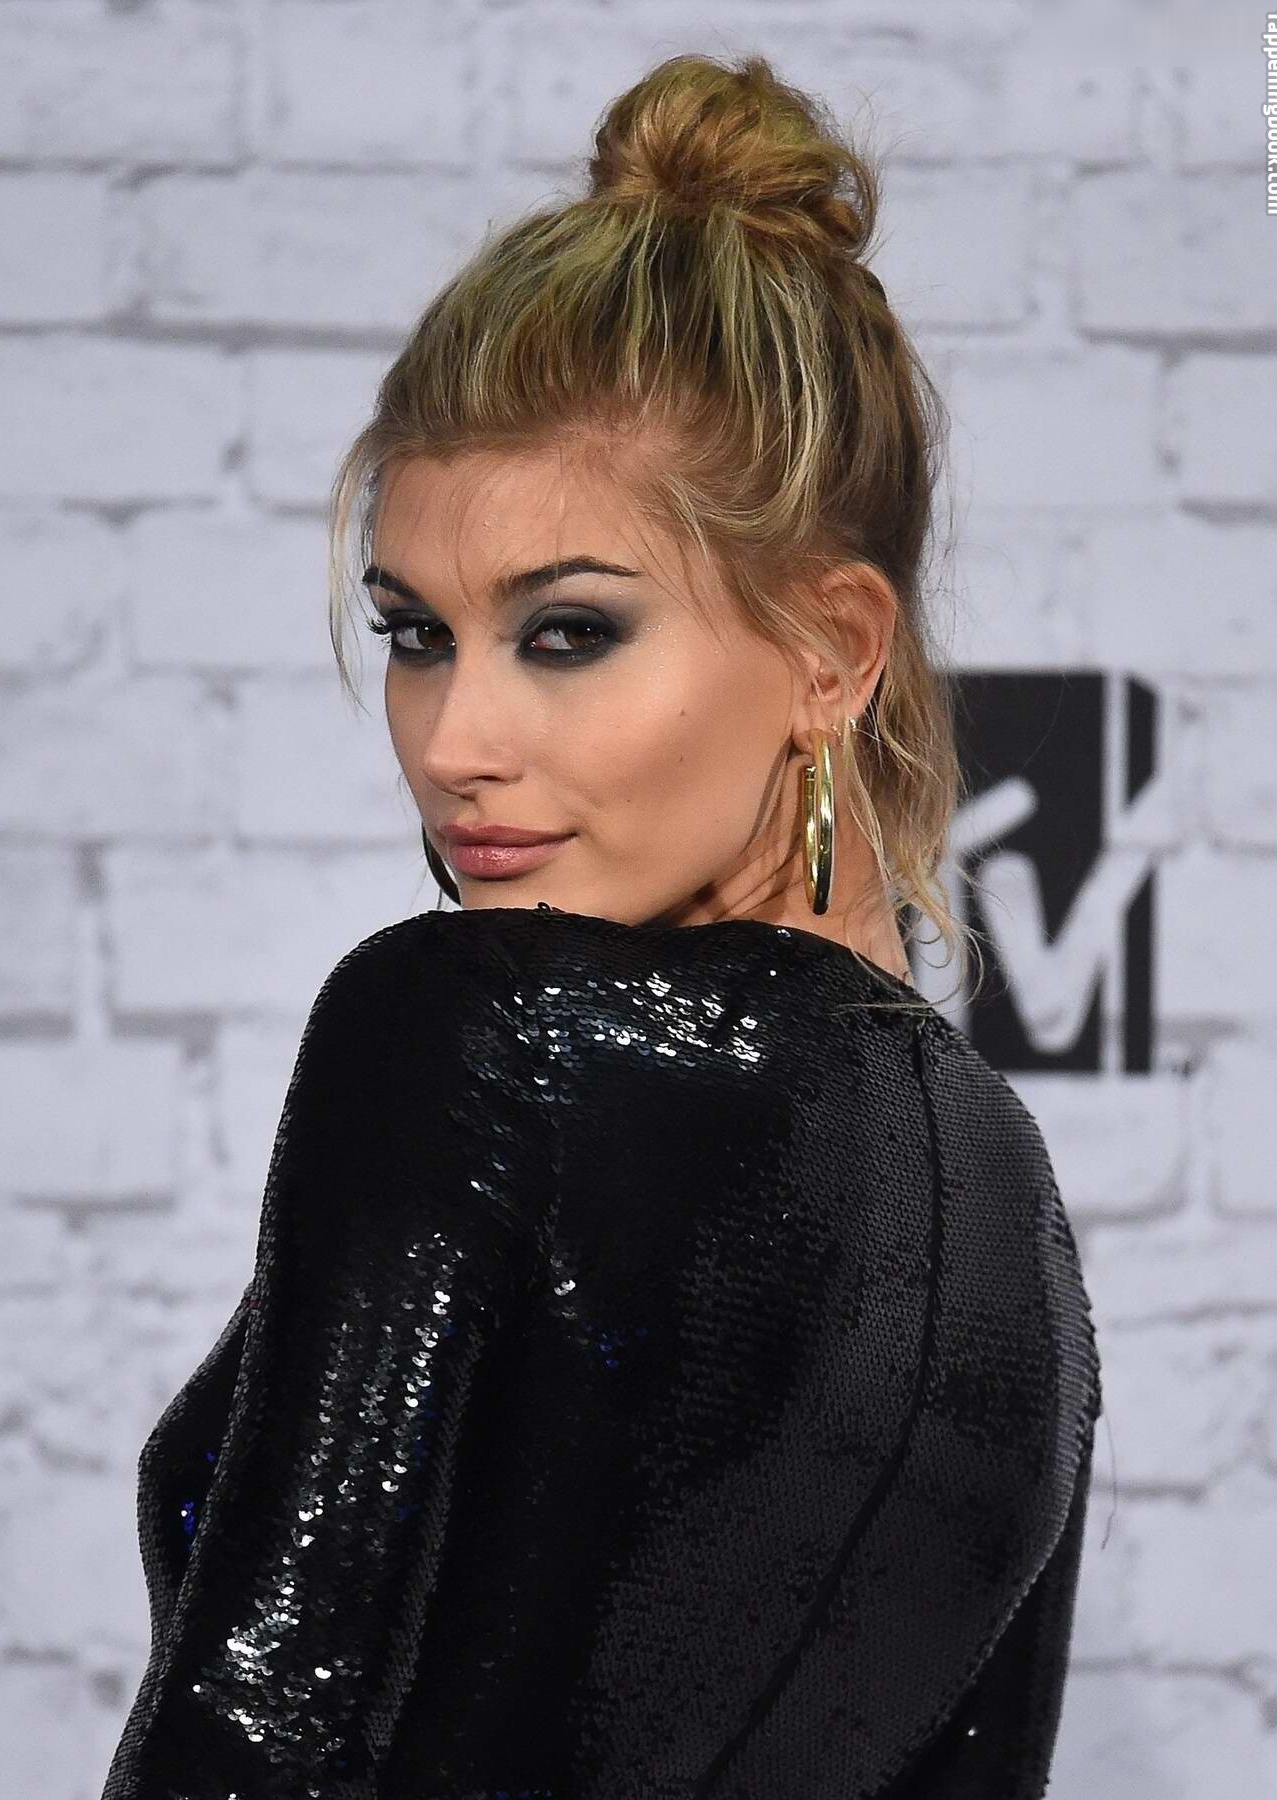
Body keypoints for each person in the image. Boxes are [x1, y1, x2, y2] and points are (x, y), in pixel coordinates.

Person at [100, 50, 1102, 1800]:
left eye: (566, 633)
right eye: (416, 634)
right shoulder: (1020, 1217)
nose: (452, 742)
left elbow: (250, 1732)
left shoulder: (477, 1033)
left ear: (832, 652)